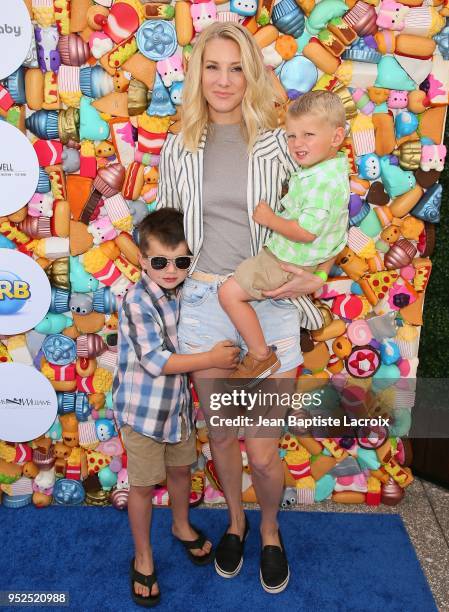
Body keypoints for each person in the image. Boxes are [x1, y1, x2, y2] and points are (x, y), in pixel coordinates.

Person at [155, 22, 331, 594]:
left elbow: (321, 214)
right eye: (213, 66)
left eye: (236, 67)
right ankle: (235, 522)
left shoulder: (282, 143)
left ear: (250, 72)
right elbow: (165, 232)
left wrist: (315, 276)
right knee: (224, 438)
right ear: (197, 74)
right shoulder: (177, 147)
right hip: (205, 305)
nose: (224, 80)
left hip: (271, 304)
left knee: (262, 451)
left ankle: (271, 530)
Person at [113, 208, 240, 607]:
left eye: (181, 261)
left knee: (182, 470)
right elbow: (157, 361)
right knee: (143, 485)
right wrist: (212, 359)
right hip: (143, 413)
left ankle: (181, 525)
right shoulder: (137, 300)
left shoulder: (187, 290)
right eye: (160, 261)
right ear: (141, 258)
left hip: (178, 409)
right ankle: (143, 555)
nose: (171, 270)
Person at [218, 90, 349, 384]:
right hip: (306, 261)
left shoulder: (320, 183)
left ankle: (259, 355)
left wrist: (269, 219)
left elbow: (306, 232)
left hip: (286, 259)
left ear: (337, 137)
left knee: (228, 294)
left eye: (308, 135)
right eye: (291, 136)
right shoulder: (333, 169)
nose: (297, 144)